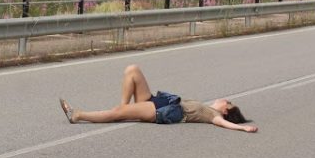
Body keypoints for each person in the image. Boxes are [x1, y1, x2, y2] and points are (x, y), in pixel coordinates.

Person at [59, 64, 258, 133]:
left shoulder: (211, 114)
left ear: (226, 111)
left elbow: (223, 124)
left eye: (228, 103)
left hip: (160, 111)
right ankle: (121, 111)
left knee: (118, 112)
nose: (225, 99)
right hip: (158, 100)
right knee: (132, 70)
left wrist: (243, 127)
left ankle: (77, 115)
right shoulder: (206, 107)